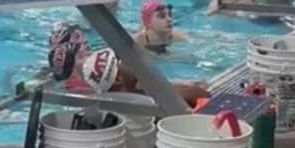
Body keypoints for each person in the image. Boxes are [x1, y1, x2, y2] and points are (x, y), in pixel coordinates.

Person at [77, 50, 209, 108]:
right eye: (121, 59)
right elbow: (200, 93)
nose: (130, 59)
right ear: (118, 79)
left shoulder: (115, 101)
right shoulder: (149, 100)